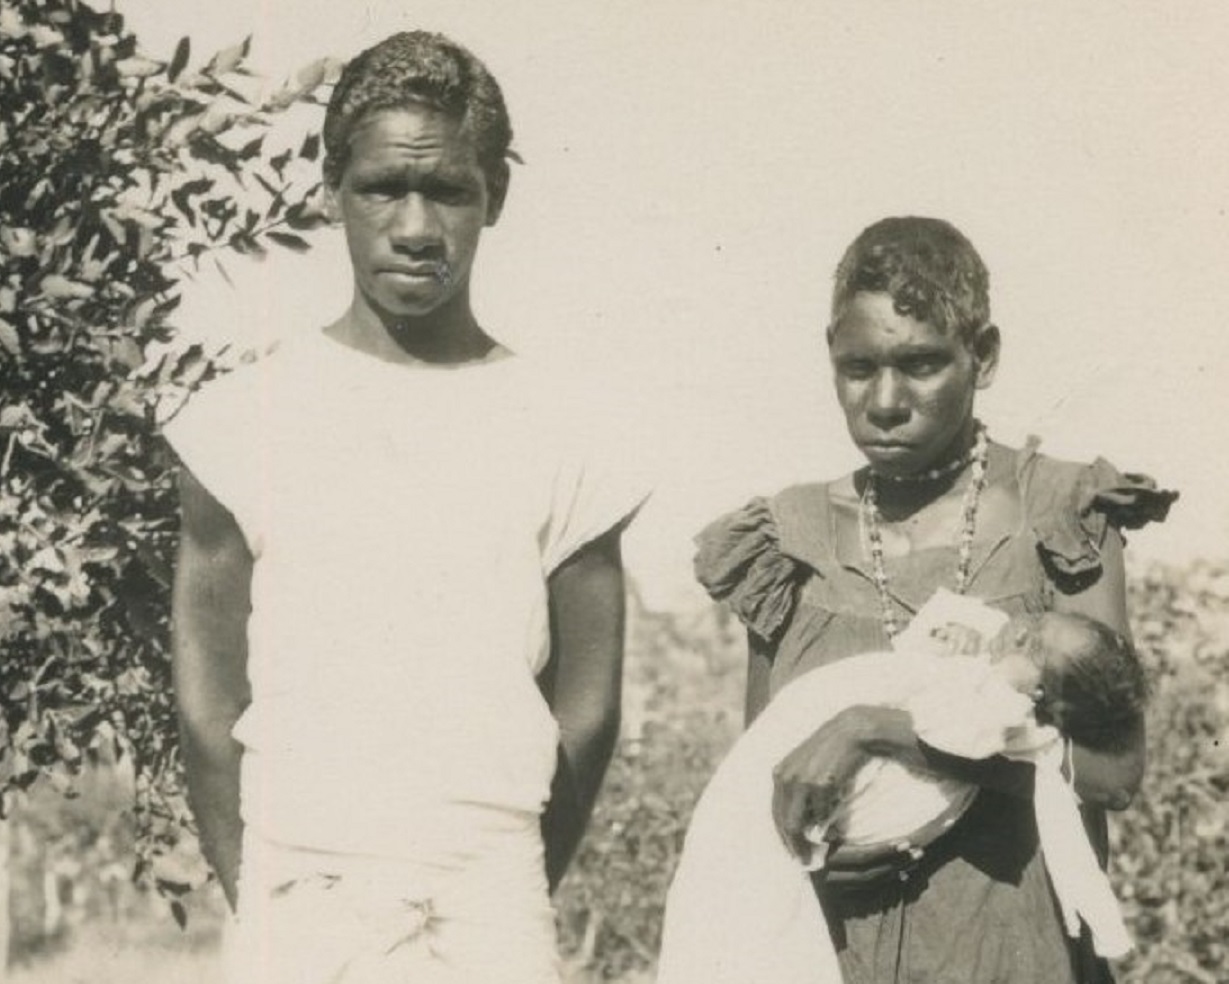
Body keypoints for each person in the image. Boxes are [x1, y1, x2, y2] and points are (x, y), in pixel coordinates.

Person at [164, 31, 648, 984]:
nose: (417, 227)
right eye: (385, 188)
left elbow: (586, 709)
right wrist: (262, 889)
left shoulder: (565, 430)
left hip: (492, 896)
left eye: (450, 191)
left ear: (493, 198)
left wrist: (502, 886)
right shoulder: (237, 423)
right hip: (300, 893)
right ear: (330, 191)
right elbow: (207, 701)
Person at [687, 216, 1176, 984]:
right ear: (829, 356)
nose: (884, 400)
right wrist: (808, 858)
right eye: (857, 368)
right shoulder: (786, 540)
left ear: (980, 357)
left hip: (1014, 951)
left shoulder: (1059, 515)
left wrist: (882, 731)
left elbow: (1111, 771)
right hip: (826, 954)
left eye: (919, 365)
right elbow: (769, 772)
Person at [658, 597, 1148, 984]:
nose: (1020, 630)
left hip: (978, 926)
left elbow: (1104, 776)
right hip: (813, 863)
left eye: (1037, 648)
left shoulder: (1005, 707)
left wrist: (869, 727)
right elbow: (773, 746)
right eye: (1035, 621)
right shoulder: (778, 539)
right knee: (742, 922)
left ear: (1045, 695)